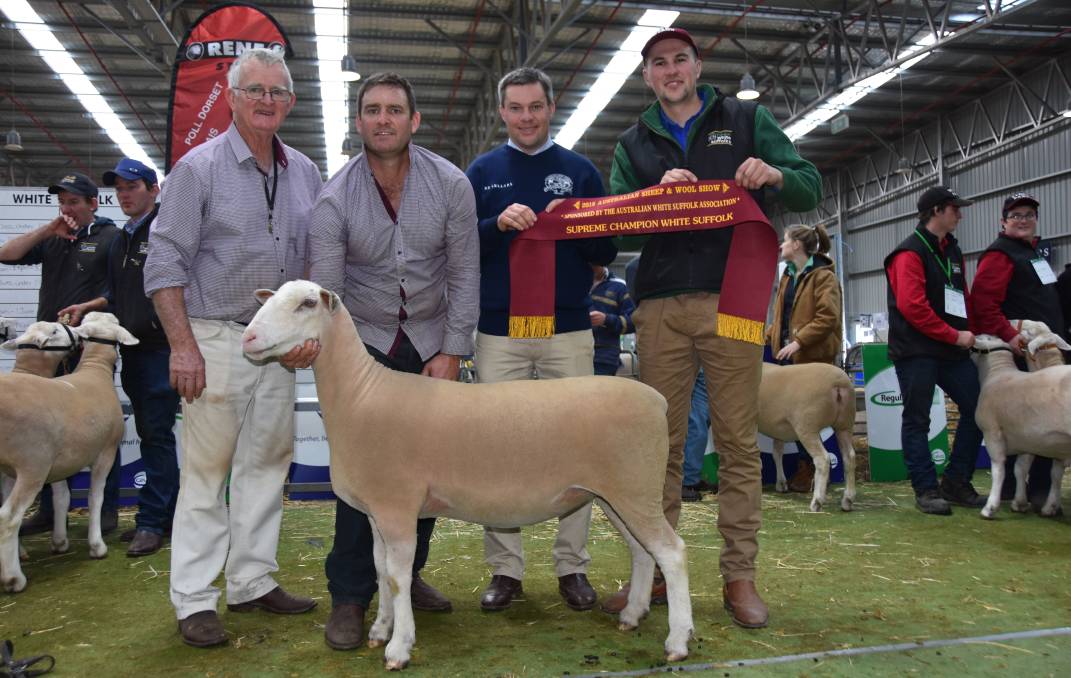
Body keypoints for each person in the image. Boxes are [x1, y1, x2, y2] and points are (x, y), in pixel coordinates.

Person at [606, 27, 821, 627]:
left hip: (736, 297)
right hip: (659, 307)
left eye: (680, 59)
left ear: (697, 66)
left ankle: (739, 578)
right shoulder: (633, 140)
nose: (670, 70)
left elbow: (810, 183)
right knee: (660, 447)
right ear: (646, 75)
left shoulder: (746, 121)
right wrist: (650, 197)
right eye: (658, 63)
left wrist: (772, 175)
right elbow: (614, 231)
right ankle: (651, 572)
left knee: (736, 442)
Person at [144, 47, 323, 648]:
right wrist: (183, 347)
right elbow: (164, 262)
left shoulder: (304, 171)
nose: (267, 101)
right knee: (206, 472)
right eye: (255, 91)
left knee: (266, 468)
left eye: (277, 92)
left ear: (290, 103)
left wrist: (305, 335)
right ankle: (194, 599)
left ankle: (251, 580)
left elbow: (311, 268)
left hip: (275, 345)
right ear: (231, 97)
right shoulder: (199, 168)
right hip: (213, 337)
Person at [307, 72, 479, 651]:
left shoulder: (452, 184)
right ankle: (351, 596)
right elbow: (327, 293)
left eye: (395, 110)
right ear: (359, 122)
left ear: (414, 120)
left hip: (430, 342)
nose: (384, 119)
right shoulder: (334, 197)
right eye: (373, 110)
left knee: (426, 471)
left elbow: (464, 273)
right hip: (366, 345)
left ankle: (405, 579)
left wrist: (452, 350)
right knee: (365, 478)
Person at [465, 66, 615, 613]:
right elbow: (461, 248)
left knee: (578, 447)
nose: (526, 117)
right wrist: (494, 224)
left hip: (568, 330)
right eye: (516, 108)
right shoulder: (481, 172)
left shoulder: (580, 171)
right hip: (500, 332)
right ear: (502, 113)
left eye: (535, 106)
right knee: (496, 447)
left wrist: (576, 223)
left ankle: (572, 567)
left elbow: (606, 252)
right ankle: (505, 569)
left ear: (552, 107)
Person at [58, 158, 180, 557]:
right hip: (134, 351)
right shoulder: (122, 238)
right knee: (152, 434)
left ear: (153, 189)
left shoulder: (166, 229)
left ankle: (153, 522)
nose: (124, 195)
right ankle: (164, 516)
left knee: (159, 435)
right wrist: (87, 307)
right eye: (119, 189)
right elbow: (114, 293)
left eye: (132, 187)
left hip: (165, 348)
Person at [0, 172, 121, 536]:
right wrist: (46, 230)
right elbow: (6, 254)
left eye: (73, 202)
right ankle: (51, 514)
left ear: (93, 204)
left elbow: (120, 290)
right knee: (42, 432)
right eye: (62, 202)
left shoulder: (110, 238)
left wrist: (89, 307)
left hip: (86, 350)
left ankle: (106, 512)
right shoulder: (52, 239)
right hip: (44, 351)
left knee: (99, 427)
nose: (66, 208)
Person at [885, 185, 987, 516]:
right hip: (917, 350)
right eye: (955, 208)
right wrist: (955, 336)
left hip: (950, 348)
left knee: (979, 409)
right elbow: (912, 307)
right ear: (936, 211)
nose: (960, 213)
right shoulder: (909, 253)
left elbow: (962, 296)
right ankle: (926, 488)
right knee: (917, 418)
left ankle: (956, 481)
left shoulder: (952, 251)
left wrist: (970, 332)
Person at [969, 192, 1061, 506]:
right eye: (1016, 215)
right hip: (1021, 350)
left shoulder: (1033, 254)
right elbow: (983, 304)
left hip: (1043, 349)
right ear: (1003, 222)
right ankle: (1023, 488)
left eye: (1028, 215)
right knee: (1030, 420)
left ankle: (1035, 489)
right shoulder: (1000, 254)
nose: (1023, 220)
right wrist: (1010, 336)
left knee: (1045, 415)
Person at [766, 224, 843, 493]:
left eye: (785, 241)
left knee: (804, 418)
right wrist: (765, 336)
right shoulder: (788, 276)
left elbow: (827, 317)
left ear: (797, 244)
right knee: (793, 417)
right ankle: (808, 467)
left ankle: (810, 467)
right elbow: (781, 318)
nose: (781, 246)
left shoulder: (824, 277)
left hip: (812, 360)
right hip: (789, 359)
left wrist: (799, 342)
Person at [589, 263, 635, 376]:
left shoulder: (619, 286)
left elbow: (634, 322)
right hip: (575, 354)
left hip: (604, 358)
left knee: (599, 392)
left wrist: (606, 320)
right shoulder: (575, 284)